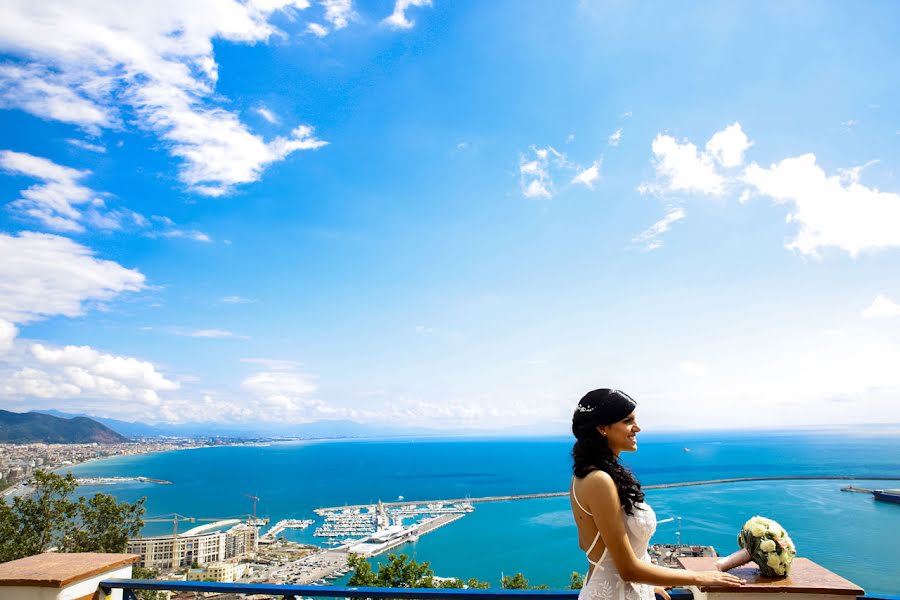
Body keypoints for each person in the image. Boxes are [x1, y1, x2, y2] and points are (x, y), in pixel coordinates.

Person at [571, 388, 745, 600]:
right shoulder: (600, 481)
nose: (638, 428)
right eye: (627, 421)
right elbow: (627, 569)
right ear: (602, 428)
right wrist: (699, 577)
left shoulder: (583, 477)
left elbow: (589, 545)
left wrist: (647, 585)